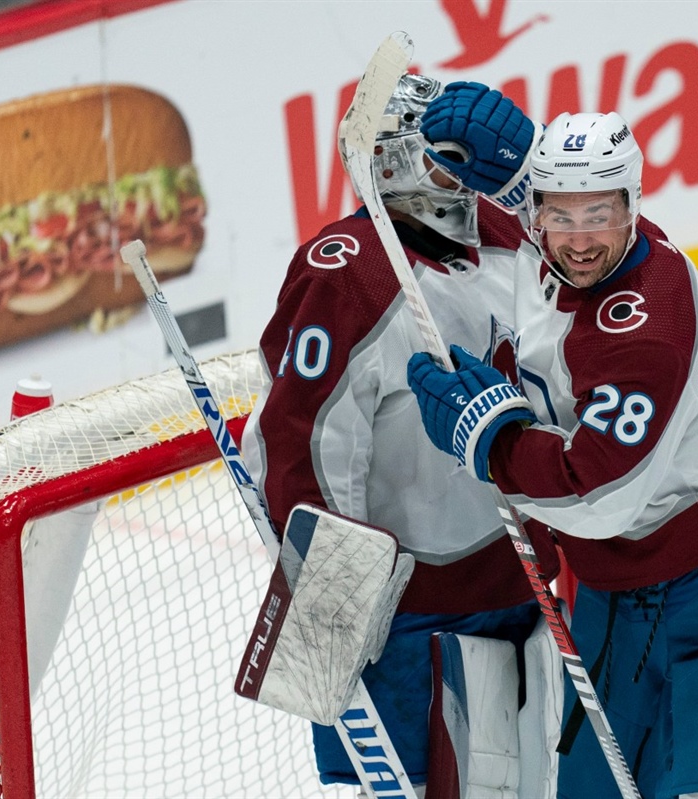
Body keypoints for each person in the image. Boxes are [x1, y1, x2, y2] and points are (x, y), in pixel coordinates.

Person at [408, 84, 698, 799]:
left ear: (633, 208)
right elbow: (556, 214)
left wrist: (489, 440)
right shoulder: (561, 243)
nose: (580, 236)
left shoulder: (645, 328)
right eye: (559, 213)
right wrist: (508, 167)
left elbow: (598, 495)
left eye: (601, 213)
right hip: (613, 601)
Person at [240, 73, 561, 796]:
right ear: (390, 160)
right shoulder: (347, 275)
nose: (461, 175)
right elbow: (304, 449)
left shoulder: (509, 237)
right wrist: (333, 614)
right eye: (443, 156)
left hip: (531, 585)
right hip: (412, 623)